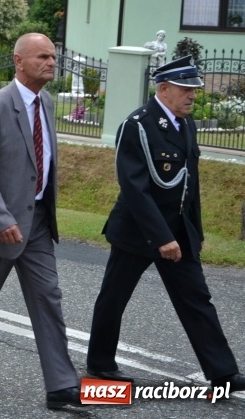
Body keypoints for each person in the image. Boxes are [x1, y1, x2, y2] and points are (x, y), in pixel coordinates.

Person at [86, 56, 245, 392]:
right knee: (114, 297)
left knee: (196, 298)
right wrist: (161, 237)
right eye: (186, 89)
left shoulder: (185, 124)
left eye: (194, 90)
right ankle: (100, 365)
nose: (192, 96)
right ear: (164, 88)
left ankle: (223, 372)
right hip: (138, 231)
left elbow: (191, 184)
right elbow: (135, 189)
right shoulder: (139, 125)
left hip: (178, 230)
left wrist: (195, 232)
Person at [0, 33, 83, 410]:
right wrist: (0, 217)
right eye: (42, 56)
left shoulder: (46, 102)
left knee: (48, 299)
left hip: (39, 222)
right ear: (18, 61)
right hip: (1, 226)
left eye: (53, 57)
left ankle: (61, 386)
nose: (51, 63)